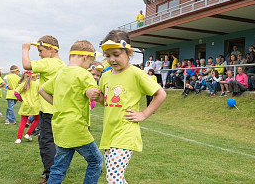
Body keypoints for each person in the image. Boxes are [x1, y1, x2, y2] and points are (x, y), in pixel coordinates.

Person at [97, 30, 166, 184]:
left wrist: (144, 114)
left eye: (116, 54)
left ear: (129, 53)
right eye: (108, 56)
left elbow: (160, 94)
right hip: (109, 133)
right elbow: (105, 101)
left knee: (113, 178)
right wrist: (97, 96)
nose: (112, 59)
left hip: (125, 133)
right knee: (115, 177)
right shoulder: (106, 75)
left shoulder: (136, 73)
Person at [39, 40, 103, 184]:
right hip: (77, 128)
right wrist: (92, 93)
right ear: (86, 57)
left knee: (59, 168)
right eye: (90, 62)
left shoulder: (61, 73)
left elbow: (42, 90)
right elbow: (91, 93)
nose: (89, 66)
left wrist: (57, 105)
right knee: (96, 161)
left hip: (60, 127)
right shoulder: (84, 74)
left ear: (69, 57)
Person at [22, 35, 66, 183]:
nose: (39, 55)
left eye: (41, 51)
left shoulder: (49, 62)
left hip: (48, 110)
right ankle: (52, 171)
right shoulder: (61, 64)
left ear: (52, 49)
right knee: (53, 142)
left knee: (47, 143)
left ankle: (50, 176)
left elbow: (27, 65)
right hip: (57, 109)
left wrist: (25, 49)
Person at [13, 71, 40, 144]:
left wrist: (21, 99)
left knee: (23, 122)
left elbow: (16, 93)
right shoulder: (37, 84)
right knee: (37, 119)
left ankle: (19, 139)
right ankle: (28, 134)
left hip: (25, 105)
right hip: (35, 105)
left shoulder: (22, 84)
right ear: (34, 77)